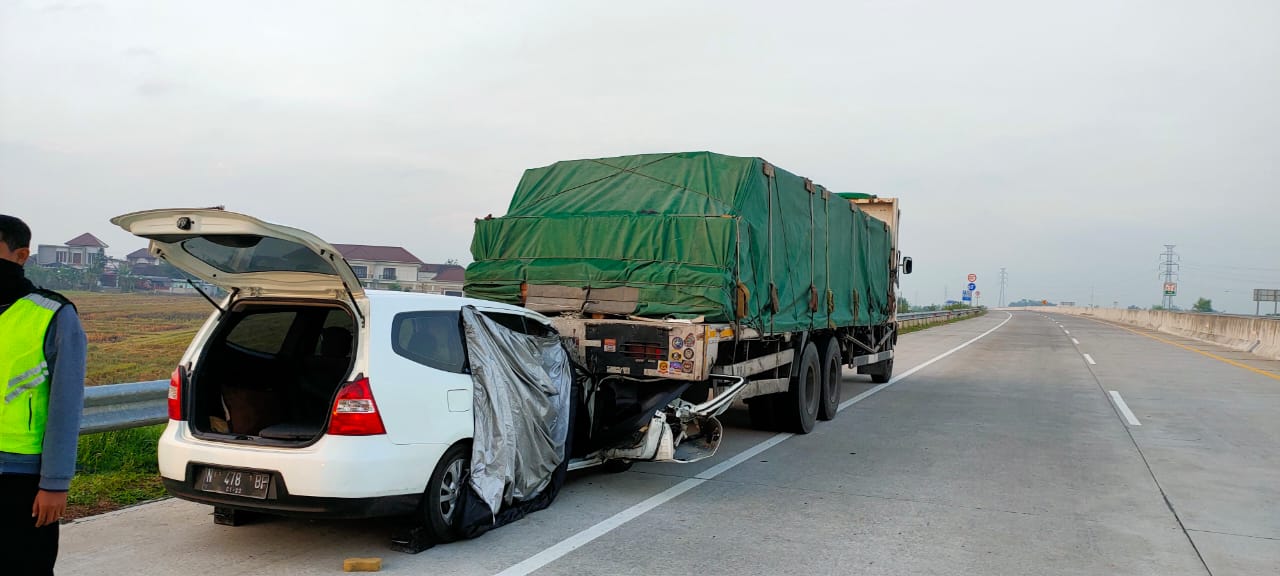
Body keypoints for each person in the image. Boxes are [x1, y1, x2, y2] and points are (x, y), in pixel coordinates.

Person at [0, 215, 86, 575]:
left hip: (21, 476)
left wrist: (54, 483)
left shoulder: (54, 314)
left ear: (21, 256)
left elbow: (66, 407)